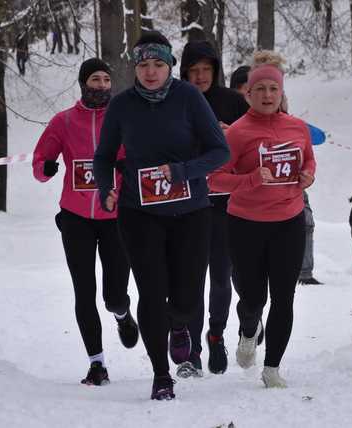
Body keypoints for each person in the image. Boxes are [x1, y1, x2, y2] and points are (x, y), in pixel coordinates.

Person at [93, 31, 229, 400]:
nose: (150, 72)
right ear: (134, 68)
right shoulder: (121, 105)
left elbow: (221, 152)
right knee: (151, 292)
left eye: (158, 64)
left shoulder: (189, 98)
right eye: (143, 65)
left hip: (191, 212)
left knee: (185, 298)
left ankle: (180, 324)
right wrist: (106, 187)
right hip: (139, 212)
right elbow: (103, 156)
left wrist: (184, 171)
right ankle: (160, 374)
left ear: (170, 65)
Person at [209, 51, 316, 388]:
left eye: (274, 89)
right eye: (261, 90)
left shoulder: (297, 127)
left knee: (284, 296)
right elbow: (214, 179)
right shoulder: (237, 133)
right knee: (253, 297)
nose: (268, 95)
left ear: (280, 93)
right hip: (246, 223)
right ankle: (248, 328)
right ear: (249, 94)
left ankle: (272, 368)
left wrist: (308, 175)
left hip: (289, 220)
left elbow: (309, 160)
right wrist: (252, 179)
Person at [32, 58, 138, 387]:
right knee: (84, 291)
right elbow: (40, 160)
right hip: (76, 217)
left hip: (115, 217)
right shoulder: (63, 122)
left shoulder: (123, 119)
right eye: (96, 79)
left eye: (107, 79)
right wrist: (46, 168)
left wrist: (123, 170)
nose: (102, 85)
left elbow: (140, 156)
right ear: (83, 83)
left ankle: (122, 314)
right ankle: (97, 364)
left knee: (114, 295)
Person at [177, 40, 249, 378]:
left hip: (224, 204)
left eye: (207, 70)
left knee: (221, 276)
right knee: (190, 279)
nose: (201, 76)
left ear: (216, 71)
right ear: (185, 72)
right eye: (194, 70)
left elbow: (252, 144)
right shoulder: (174, 99)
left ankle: (216, 335)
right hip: (186, 203)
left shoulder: (233, 102)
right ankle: (190, 350)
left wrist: (231, 134)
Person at [278, 93, 325, 286]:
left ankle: (304, 273)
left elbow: (319, 137)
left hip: (294, 185)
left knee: (306, 223)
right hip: (263, 188)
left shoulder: (293, 125)